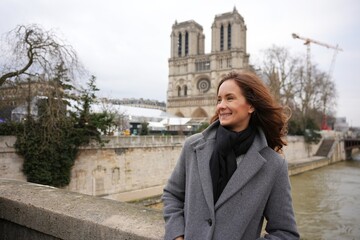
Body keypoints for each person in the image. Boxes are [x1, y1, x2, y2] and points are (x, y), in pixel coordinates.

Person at [162, 71, 300, 240]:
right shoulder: (193, 147)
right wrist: (177, 235)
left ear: (251, 106)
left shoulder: (273, 165)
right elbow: (172, 195)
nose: (221, 105)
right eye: (219, 99)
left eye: (230, 98)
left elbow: (285, 233)